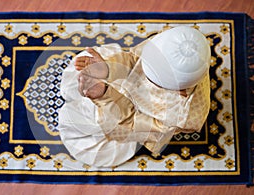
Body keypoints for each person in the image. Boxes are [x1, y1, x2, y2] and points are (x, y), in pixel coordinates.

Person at [58, 26, 211, 167]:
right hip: (131, 92)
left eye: (150, 77)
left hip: (139, 119)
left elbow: (132, 123)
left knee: (95, 127)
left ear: (177, 89)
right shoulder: (169, 42)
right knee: (90, 66)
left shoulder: (179, 117)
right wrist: (107, 69)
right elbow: (133, 59)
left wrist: (104, 95)